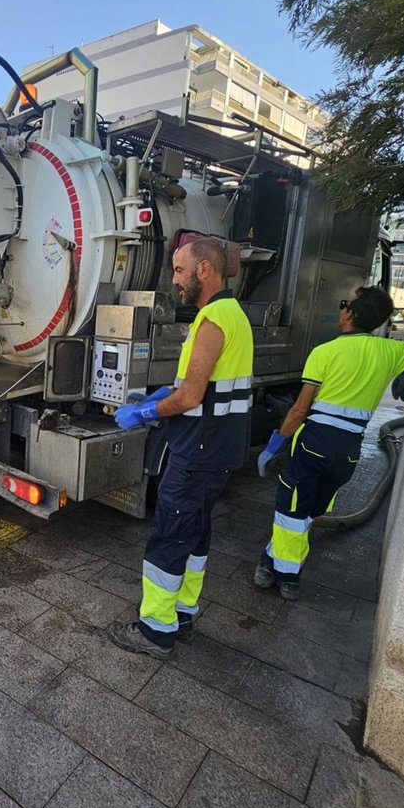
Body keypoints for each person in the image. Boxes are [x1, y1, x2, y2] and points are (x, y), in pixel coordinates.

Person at [106, 237, 253, 660]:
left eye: (179, 270)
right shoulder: (232, 314)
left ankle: (155, 629)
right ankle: (183, 614)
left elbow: (190, 397)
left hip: (196, 451)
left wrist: (144, 413)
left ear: (204, 269)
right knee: (195, 533)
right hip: (216, 450)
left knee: (170, 536)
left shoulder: (213, 320)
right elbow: (199, 385)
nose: (174, 280)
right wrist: (158, 395)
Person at [255, 286, 404, 599]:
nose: (341, 308)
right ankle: (270, 562)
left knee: (291, 511)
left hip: (314, 442)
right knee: (307, 512)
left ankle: (287, 577)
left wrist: (274, 444)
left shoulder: (325, 352)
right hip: (349, 450)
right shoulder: (391, 351)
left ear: (350, 313)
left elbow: (299, 409)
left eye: (344, 304)